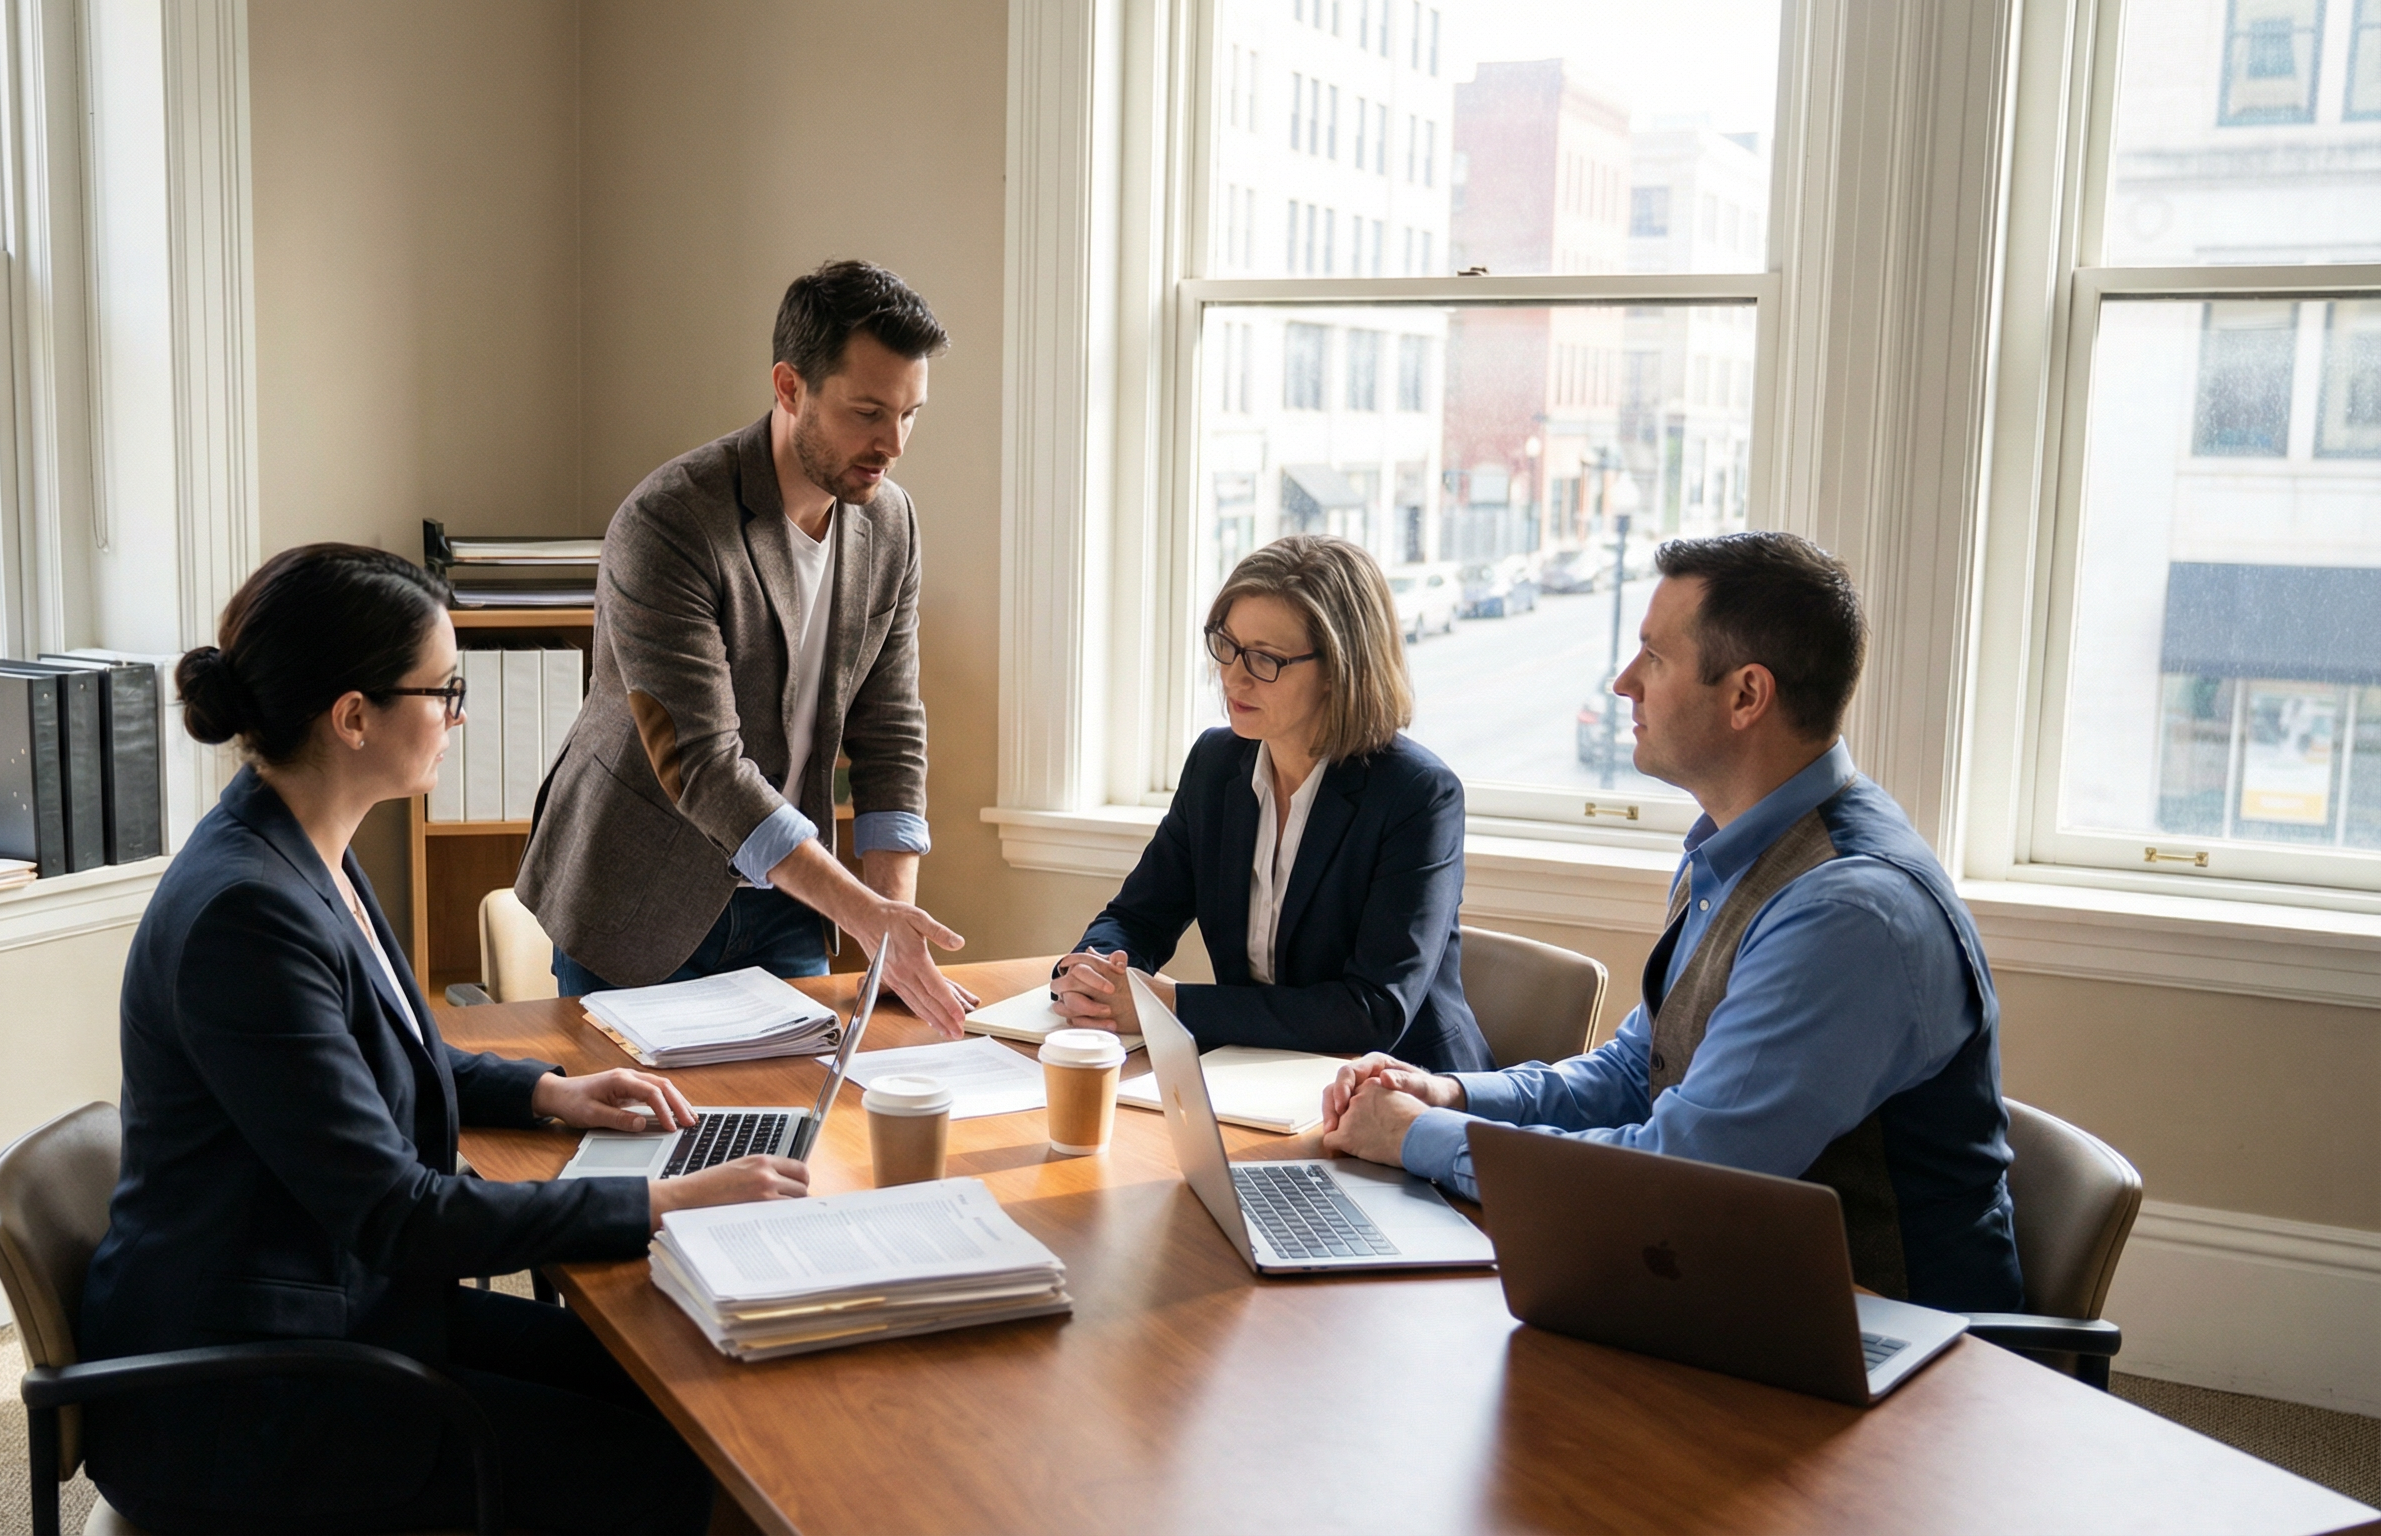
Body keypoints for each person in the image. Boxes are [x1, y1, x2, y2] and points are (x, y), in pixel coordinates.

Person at [80, 544, 806, 1535]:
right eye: (445, 689)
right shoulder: (245, 915)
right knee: (689, 1478)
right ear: (353, 717)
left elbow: (378, 1064)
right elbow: (398, 1215)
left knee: (688, 1387)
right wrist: (662, 1201)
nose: (459, 714)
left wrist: (546, 1094)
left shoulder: (301, 849)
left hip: (343, 1313)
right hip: (248, 1393)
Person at [1318, 531, 2023, 1312]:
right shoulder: (1734, 848)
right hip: (1748, 1291)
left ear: (1747, 696)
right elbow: (1633, 1073)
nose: (1623, 683)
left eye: (1654, 658)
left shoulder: (1845, 912)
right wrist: (1449, 1095)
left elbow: (1678, 1177)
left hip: (1893, 1351)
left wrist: (1415, 1137)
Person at [516, 259, 978, 1034]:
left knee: (791, 1130)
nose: (892, 444)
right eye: (868, 411)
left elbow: (891, 727)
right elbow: (700, 760)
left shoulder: (890, 524)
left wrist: (890, 921)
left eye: (910, 414)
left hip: (790, 902)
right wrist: (863, 914)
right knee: (646, 1139)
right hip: (637, 899)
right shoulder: (670, 521)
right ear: (791, 388)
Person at [1048, 535, 1494, 1073]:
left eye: (1264, 658)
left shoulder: (1417, 795)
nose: (1234, 675)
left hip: (1401, 1092)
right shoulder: (1217, 764)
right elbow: (1137, 916)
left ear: (1338, 670)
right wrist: (1096, 968)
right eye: (1227, 645)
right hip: (1257, 1075)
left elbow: (1371, 1011)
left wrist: (1166, 1006)